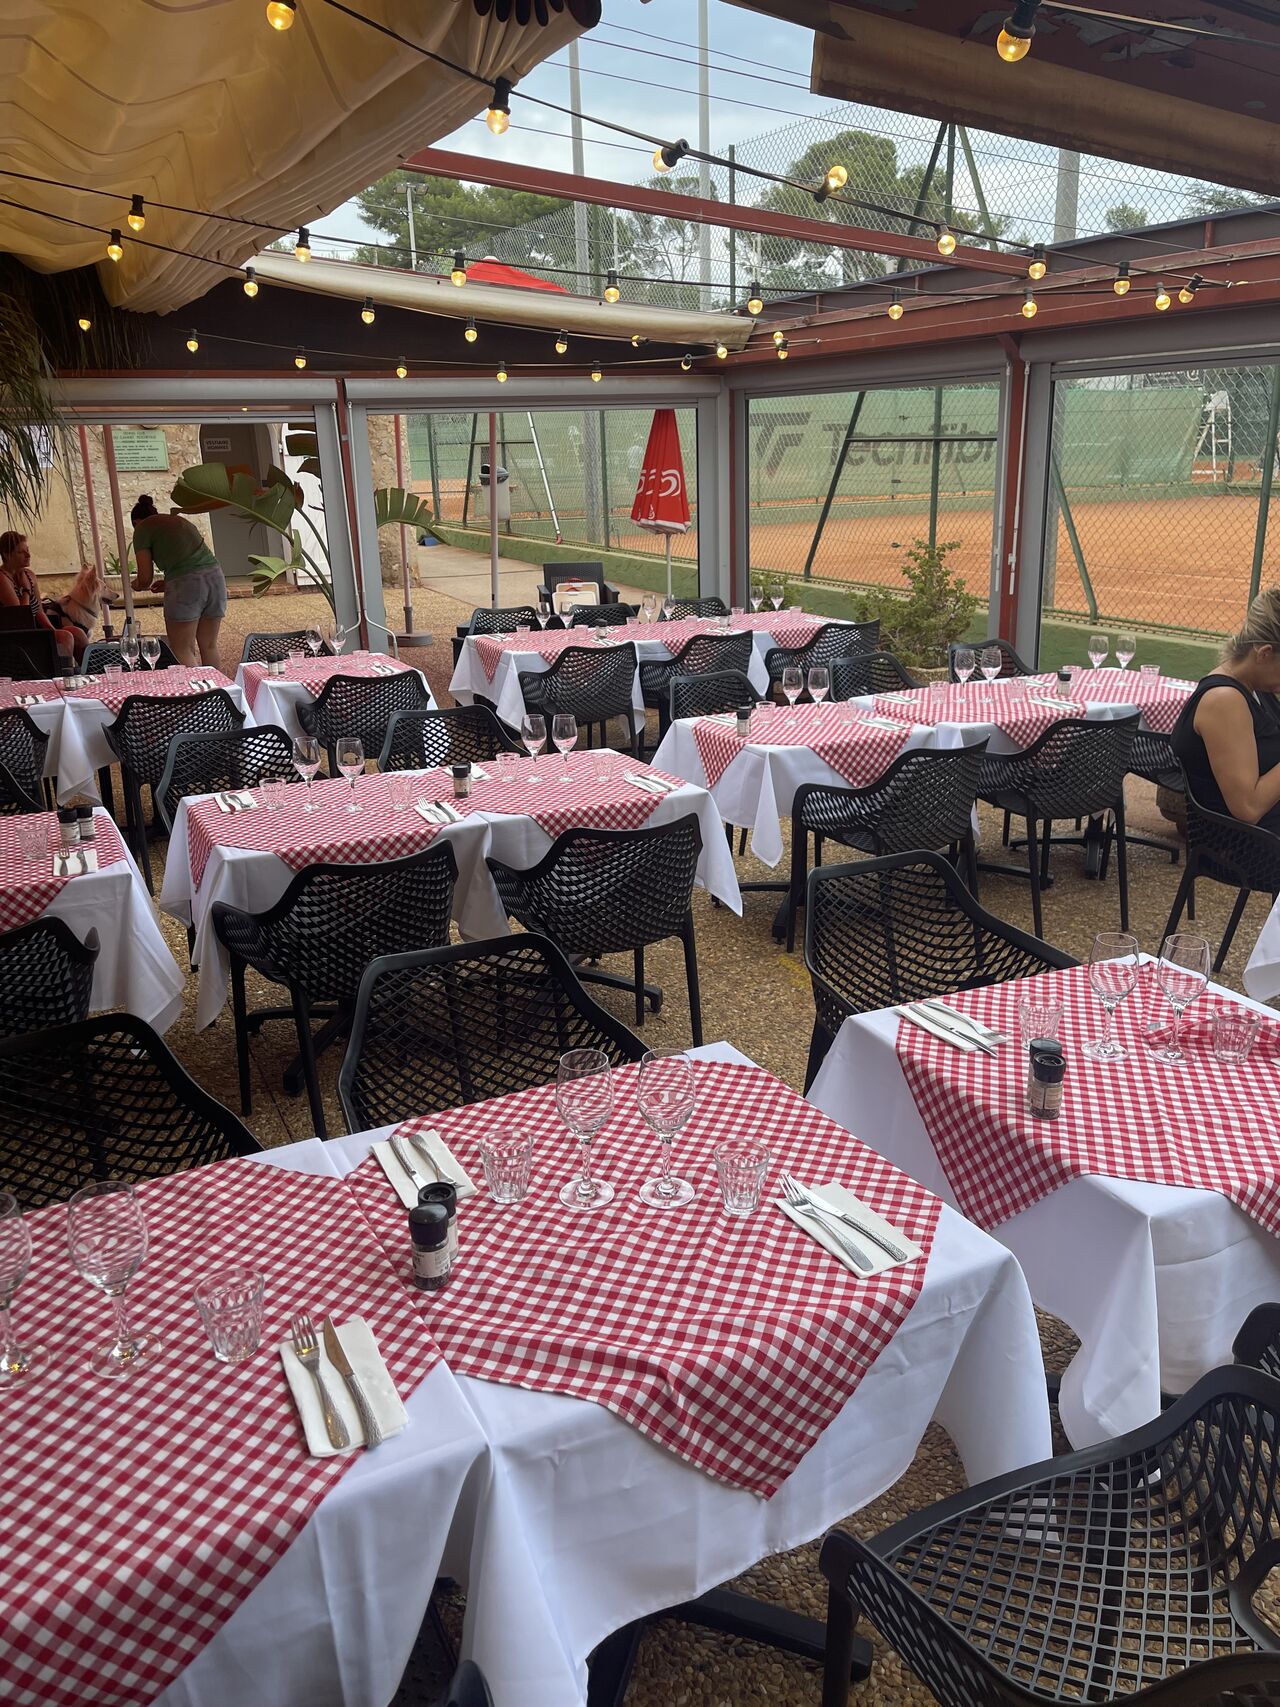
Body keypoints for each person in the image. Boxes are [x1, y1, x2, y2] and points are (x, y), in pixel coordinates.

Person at [1170, 586, 1280, 831]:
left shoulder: (1259, 687)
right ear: (1264, 654)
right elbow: (1247, 808)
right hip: (1248, 845)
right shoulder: (1224, 702)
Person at [130, 496, 226, 667]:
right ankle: (215, 684)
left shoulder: (142, 528)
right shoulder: (177, 521)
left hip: (185, 583)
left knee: (182, 648)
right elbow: (192, 560)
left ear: (136, 521)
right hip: (215, 578)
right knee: (209, 646)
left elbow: (145, 579)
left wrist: (134, 585)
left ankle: (196, 686)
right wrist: (168, 583)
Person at [0, 531, 88, 663]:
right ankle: (64, 672)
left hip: (35, 630)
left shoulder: (29, 575)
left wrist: (52, 631)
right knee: (65, 637)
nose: (28, 555)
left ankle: (88, 671)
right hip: (17, 635)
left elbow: (39, 611)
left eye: (27, 550)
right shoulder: (2, 579)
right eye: (21, 552)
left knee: (77, 633)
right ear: (7, 555)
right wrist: (26, 590)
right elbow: (20, 616)